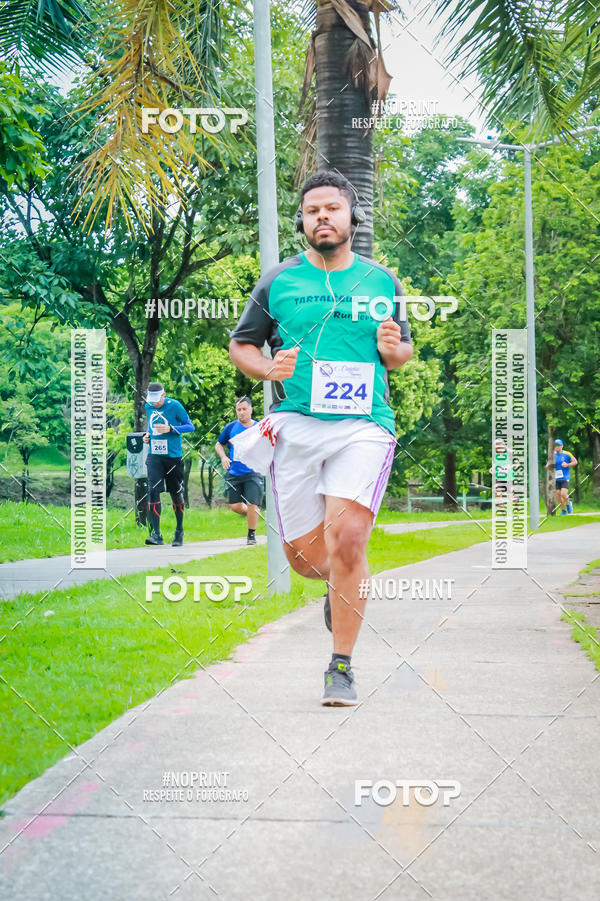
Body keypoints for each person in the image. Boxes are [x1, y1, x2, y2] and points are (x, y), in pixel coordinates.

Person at [228, 170, 413, 706]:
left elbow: (400, 356)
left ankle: (341, 666)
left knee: (349, 539)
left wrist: (392, 345)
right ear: (303, 221)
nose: (323, 217)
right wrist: (268, 369)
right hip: (298, 426)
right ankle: (339, 588)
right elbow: (242, 346)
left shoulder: (381, 280)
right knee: (308, 561)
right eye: (313, 211)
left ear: (352, 217)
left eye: (333, 208)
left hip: (365, 426)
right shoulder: (278, 282)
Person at [142, 382, 195, 545]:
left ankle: (179, 531)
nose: (154, 403)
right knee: (152, 491)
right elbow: (150, 427)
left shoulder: (175, 406)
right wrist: (147, 436)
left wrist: (171, 429)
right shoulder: (148, 406)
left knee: (175, 493)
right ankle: (156, 534)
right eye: (152, 399)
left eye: (157, 399)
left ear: (164, 395)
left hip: (172, 457)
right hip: (154, 456)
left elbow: (190, 427)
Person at [215, 397, 265, 546]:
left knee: (252, 504)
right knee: (235, 506)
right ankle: (254, 514)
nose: (241, 412)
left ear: (251, 410)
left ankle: (251, 535)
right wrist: (223, 457)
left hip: (253, 472)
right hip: (234, 473)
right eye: (238, 410)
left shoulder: (259, 428)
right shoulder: (231, 428)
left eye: (244, 409)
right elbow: (219, 444)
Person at [545, 438, 577, 515]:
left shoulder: (567, 454)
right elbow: (550, 464)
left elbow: (575, 462)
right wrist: (548, 466)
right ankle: (563, 510)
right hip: (556, 478)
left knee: (563, 493)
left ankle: (568, 504)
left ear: (562, 446)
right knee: (558, 494)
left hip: (565, 477)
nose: (557, 447)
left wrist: (567, 465)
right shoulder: (553, 455)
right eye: (555, 446)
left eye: (558, 446)